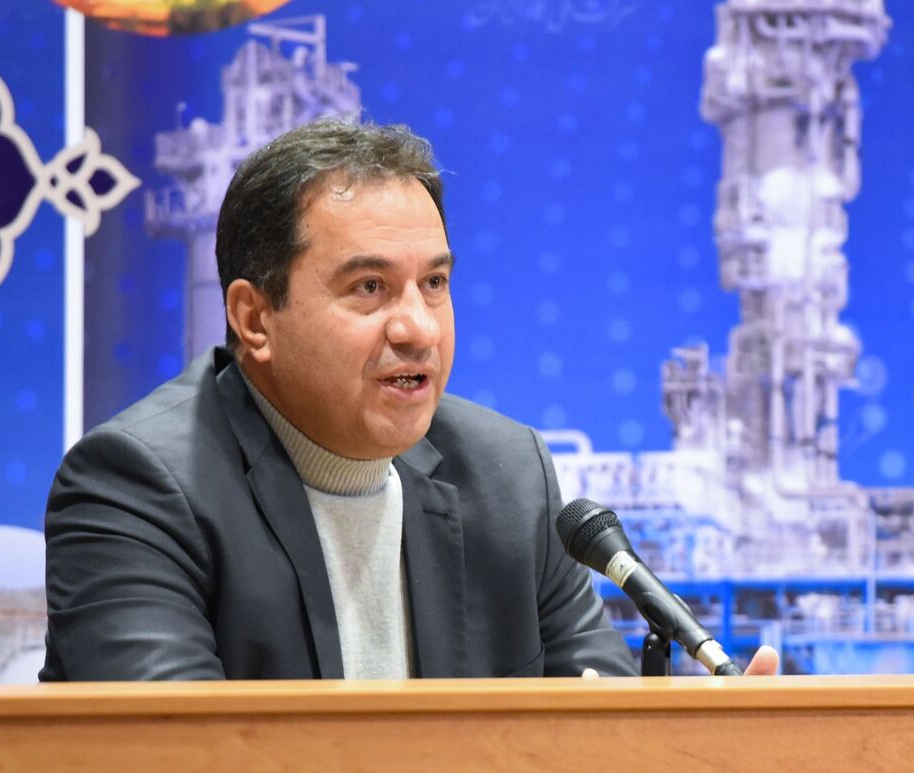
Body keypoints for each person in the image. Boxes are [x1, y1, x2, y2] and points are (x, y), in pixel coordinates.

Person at [40, 118, 778, 680]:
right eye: (370, 287)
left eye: (434, 283)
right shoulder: (138, 487)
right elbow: (177, 750)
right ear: (254, 319)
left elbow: (596, 727)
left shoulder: (507, 476)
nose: (418, 328)